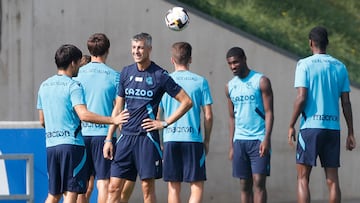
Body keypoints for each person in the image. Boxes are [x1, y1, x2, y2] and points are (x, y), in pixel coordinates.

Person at [103, 33, 193, 203]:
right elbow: (118, 107)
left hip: (147, 139)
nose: (136, 51)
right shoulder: (125, 72)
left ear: (149, 49)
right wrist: (109, 138)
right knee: (113, 187)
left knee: (147, 188)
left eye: (140, 47)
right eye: (134, 47)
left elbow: (187, 102)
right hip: (125, 138)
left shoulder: (160, 75)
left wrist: (164, 122)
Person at [37, 44, 129, 203]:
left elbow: (42, 120)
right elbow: (84, 114)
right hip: (72, 147)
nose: (80, 66)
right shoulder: (73, 85)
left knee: (53, 194)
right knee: (71, 193)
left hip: (51, 145)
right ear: (73, 63)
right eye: (79, 62)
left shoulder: (44, 86)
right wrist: (113, 119)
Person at [288, 26, 356, 203]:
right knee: (332, 180)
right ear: (328, 43)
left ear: (310, 43)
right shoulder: (340, 66)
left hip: (310, 128)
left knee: (303, 179)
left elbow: (301, 97)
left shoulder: (304, 64)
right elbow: (346, 103)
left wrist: (291, 124)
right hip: (333, 128)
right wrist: (350, 131)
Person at [159, 42, 213, 203]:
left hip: (170, 139)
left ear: (172, 60)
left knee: (173, 187)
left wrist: (160, 140)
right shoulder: (200, 81)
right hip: (193, 140)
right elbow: (208, 115)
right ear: (190, 59)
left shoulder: (164, 81)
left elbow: (157, 115)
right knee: (196, 185)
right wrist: (207, 140)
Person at [74, 33, 120, 203]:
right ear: (107, 50)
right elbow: (119, 108)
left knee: (81, 186)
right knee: (104, 183)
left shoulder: (78, 74)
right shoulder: (115, 76)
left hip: (81, 136)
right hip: (105, 136)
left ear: (89, 50)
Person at [225, 47, 274, 203]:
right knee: (244, 185)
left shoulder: (261, 81)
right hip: (240, 141)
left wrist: (266, 138)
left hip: (259, 139)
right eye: (230, 64)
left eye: (236, 62)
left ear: (244, 59)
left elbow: (269, 112)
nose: (233, 66)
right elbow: (231, 117)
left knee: (259, 182)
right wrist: (232, 145)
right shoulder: (229, 86)